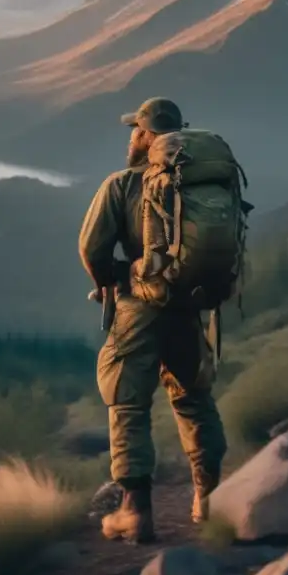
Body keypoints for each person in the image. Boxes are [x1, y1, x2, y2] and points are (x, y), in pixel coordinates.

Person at [78, 97, 234, 544]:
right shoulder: (199, 181)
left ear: (147, 135)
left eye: (135, 130)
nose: (132, 137)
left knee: (127, 402)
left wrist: (113, 280)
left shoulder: (123, 184)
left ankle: (136, 513)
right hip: (188, 305)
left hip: (138, 309)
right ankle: (209, 500)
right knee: (193, 397)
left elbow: (92, 249)